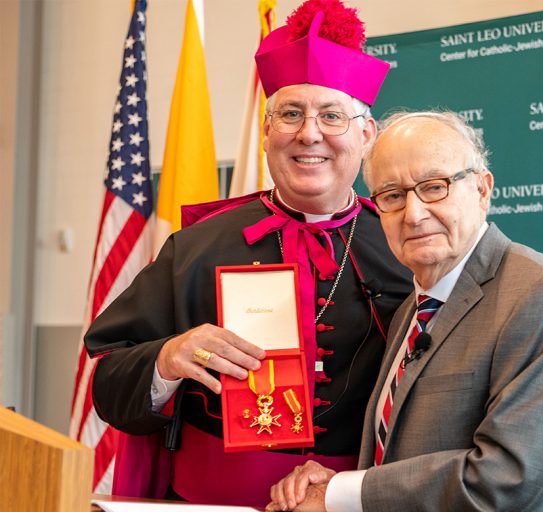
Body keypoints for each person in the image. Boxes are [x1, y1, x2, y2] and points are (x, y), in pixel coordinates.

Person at [83, 0, 412, 507]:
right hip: (209, 504)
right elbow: (109, 381)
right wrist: (167, 359)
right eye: (290, 114)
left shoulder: (406, 247)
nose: (309, 133)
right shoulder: (195, 247)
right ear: (266, 131)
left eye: (331, 116)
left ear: (366, 135)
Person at [267, 111, 543, 512]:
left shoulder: (539, 293)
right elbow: (400, 456)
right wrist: (336, 483)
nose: (413, 214)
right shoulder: (410, 310)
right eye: (392, 195)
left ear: (482, 189)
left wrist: (340, 494)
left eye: (434, 187)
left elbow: (506, 477)